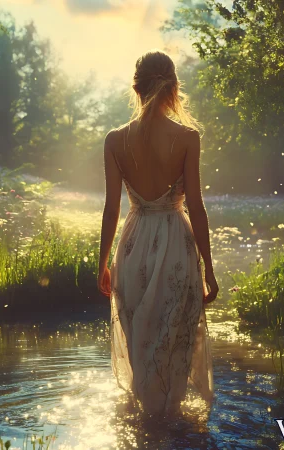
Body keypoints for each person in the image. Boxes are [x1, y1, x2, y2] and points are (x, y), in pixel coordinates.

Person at [97, 49, 218, 416]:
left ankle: (144, 423)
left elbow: (112, 209)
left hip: (133, 246)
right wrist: (209, 270)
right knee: (174, 338)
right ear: (173, 88)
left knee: (140, 338)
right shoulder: (187, 137)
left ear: (136, 89)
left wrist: (102, 264)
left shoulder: (115, 140)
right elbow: (195, 207)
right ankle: (168, 420)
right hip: (175, 244)